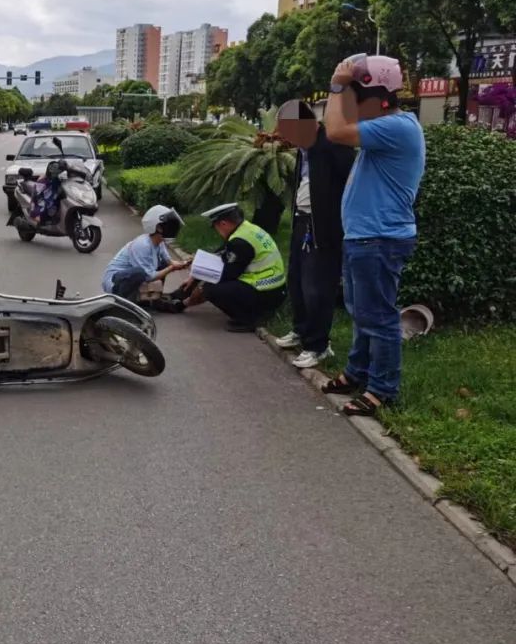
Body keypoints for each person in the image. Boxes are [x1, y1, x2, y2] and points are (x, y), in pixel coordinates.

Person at [321, 54, 425, 417]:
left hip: (380, 238)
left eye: (355, 96)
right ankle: (357, 372)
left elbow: (334, 131)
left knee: (378, 317)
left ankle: (383, 388)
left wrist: (336, 84)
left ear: (380, 98)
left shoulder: (397, 127)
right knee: (362, 314)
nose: (350, 104)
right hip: (366, 238)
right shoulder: (384, 128)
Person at [273, 100, 355, 369]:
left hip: (325, 227)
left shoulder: (332, 144)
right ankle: (301, 330)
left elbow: (350, 180)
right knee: (296, 280)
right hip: (302, 221)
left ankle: (318, 345)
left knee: (317, 287)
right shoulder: (304, 149)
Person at [170, 203, 287, 332]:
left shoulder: (240, 242)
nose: (217, 231)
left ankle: (248, 320)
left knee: (211, 289)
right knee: (210, 282)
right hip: (276, 289)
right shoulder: (246, 229)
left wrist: (187, 301)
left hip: (265, 294)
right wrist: (194, 277)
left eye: (215, 227)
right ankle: (178, 296)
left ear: (224, 224)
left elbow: (225, 275)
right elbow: (221, 253)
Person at [102, 205, 188, 304]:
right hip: (115, 281)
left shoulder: (159, 241)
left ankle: (153, 297)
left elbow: (169, 261)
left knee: (163, 264)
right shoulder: (142, 245)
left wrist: (183, 263)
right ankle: (122, 302)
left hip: (130, 277)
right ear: (159, 228)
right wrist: (172, 268)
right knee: (139, 273)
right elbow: (149, 276)